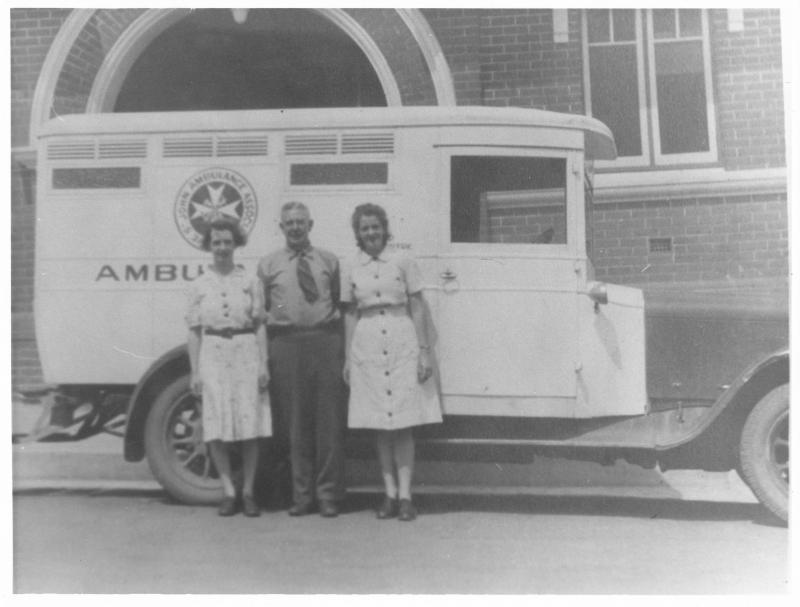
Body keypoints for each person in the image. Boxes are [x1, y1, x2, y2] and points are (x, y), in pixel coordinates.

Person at [342, 203, 442, 522]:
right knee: (380, 427)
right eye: (365, 228)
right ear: (357, 233)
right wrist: (347, 357)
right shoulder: (351, 265)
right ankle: (387, 494)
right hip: (367, 343)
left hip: (401, 339)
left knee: (402, 424)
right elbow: (348, 313)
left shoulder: (403, 260)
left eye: (376, 226)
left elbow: (418, 305)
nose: (371, 233)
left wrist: (424, 350)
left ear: (385, 228)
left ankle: (406, 498)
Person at [258, 201, 346, 518]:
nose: (295, 227)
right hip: (286, 344)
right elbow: (261, 310)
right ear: (281, 227)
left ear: (311, 225)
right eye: (289, 223)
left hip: (324, 341)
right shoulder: (268, 265)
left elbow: (339, 303)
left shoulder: (329, 261)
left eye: (301, 222)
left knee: (329, 424)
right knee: (294, 425)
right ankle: (302, 495)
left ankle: (328, 496)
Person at [186, 218, 271, 517]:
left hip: (245, 351)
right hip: (213, 354)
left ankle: (248, 491)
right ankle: (228, 491)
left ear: (236, 244)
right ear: (209, 245)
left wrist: (263, 364)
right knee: (216, 425)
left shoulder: (249, 281)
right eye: (216, 242)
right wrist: (195, 371)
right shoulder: (199, 284)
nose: (222, 248)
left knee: (249, 426)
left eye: (227, 242)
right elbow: (195, 331)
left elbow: (260, 325)